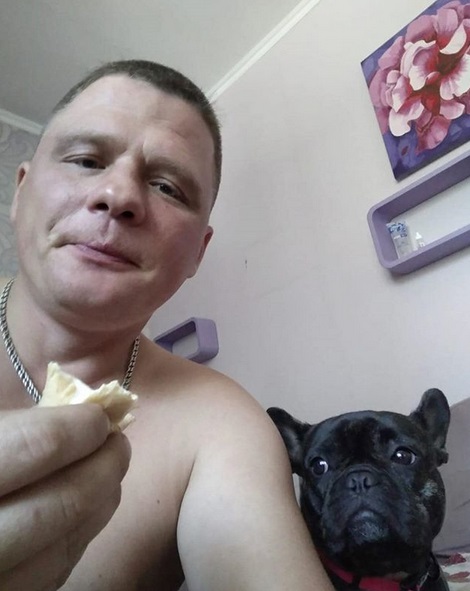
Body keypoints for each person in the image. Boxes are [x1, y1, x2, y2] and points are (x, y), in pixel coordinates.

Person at [0, 60, 334, 591]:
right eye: (87, 159)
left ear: (198, 252)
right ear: (20, 193)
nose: (120, 195)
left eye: (168, 187)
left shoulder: (223, 427)